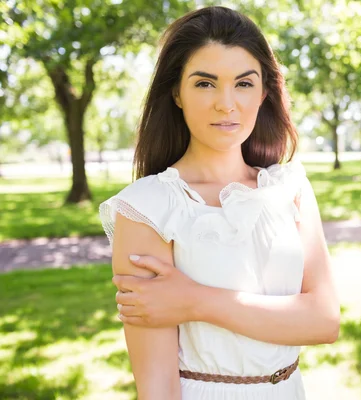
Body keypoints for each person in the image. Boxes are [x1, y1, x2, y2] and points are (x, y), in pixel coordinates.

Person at [98, 6, 339, 400]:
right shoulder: (147, 207)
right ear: (176, 92)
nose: (226, 104)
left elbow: (325, 321)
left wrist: (196, 301)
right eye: (205, 84)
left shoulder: (289, 186)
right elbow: (157, 386)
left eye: (243, 84)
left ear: (264, 92)